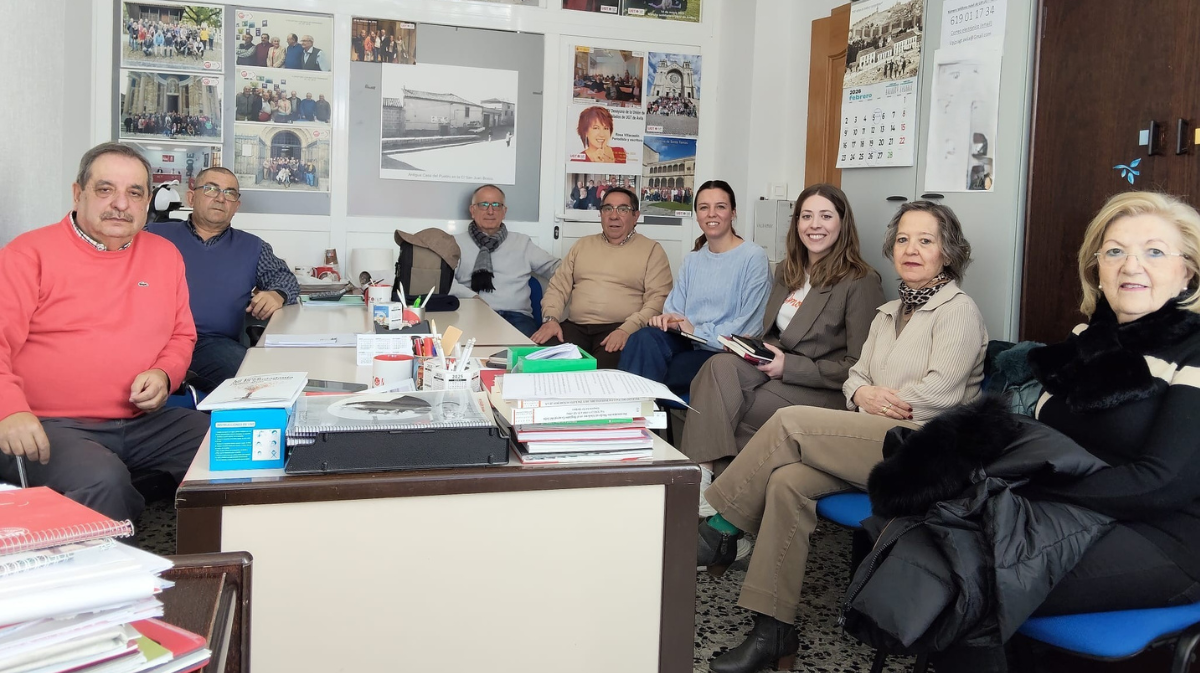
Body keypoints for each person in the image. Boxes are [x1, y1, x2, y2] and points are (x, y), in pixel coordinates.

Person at [858, 192, 1200, 673]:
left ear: (1188, 271)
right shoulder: (1086, 341)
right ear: (1096, 267)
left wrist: (1029, 494)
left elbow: (1163, 482)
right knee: (926, 538)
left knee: (967, 580)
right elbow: (1041, 439)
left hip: (1166, 537)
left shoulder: (1194, 349)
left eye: (1155, 251)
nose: (1130, 266)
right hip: (1071, 515)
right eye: (1115, 251)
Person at [696, 200, 987, 673]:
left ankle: (720, 528)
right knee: (787, 481)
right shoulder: (889, 311)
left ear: (948, 253)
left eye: (926, 241)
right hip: (877, 436)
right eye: (903, 240)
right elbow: (855, 378)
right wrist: (866, 395)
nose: (911, 249)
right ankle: (774, 630)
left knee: (790, 422)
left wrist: (874, 397)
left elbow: (938, 395)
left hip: (924, 451)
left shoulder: (959, 311)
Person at [0, 142, 208, 523]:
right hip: (48, 425)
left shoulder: (164, 255)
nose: (121, 204)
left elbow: (182, 336)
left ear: (147, 202)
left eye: (134, 192)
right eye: (105, 189)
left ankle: (219, 564)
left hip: (144, 422)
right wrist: (8, 409)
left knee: (235, 445)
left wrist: (164, 374)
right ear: (78, 193)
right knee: (102, 481)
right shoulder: (27, 254)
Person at [681, 184, 884, 501]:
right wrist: (750, 347)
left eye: (825, 216)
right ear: (797, 224)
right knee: (716, 366)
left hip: (821, 387)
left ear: (842, 224)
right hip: (772, 367)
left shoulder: (860, 280)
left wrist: (789, 367)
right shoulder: (788, 271)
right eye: (806, 216)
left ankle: (721, 499)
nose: (814, 224)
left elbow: (859, 369)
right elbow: (774, 335)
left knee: (735, 408)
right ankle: (704, 477)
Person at [147, 167, 300, 393]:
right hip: (151, 338)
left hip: (211, 344)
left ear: (236, 206)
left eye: (230, 193)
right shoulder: (153, 236)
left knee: (261, 382)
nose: (220, 198)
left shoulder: (252, 247)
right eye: (211, 189)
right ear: (191, 197)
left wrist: (277, 294)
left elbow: (285, 278)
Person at [618, 180, 770, 390]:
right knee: (642, 339)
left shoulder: (753, 257)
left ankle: (638, 416)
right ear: (697, 215)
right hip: (688, 342)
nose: (711, 214)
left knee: (652, 368)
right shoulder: (693, 260)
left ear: (733, 213)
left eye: (720, 207)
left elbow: (749, 327)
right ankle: (639, 414)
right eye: (704, 207)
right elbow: (675, 311)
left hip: (724, 351)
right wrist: (668, 320)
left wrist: (697, 331)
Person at [531, 187, 673, 369]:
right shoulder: (583, 245)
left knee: (600, 378)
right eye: (608, 209)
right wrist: (550, 319)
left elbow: (658, 300)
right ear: (601, 214)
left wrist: (627, 330)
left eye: (623, 209)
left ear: (635, 216)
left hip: (620, 328)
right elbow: (558, 287)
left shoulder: (652, 250)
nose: (614, 216)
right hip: (576, 327)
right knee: (542, 366)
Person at [450, 185, 560, 337]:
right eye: (483, 205)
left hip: (517, 318)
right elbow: (444, 281)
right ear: (472, 210)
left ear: (504, 211)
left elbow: (556, 269)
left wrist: (585, 270)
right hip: (473, 314)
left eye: (496, 205)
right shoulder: (455, 243)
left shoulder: (522, 242)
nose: (490, 211)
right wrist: (473, 298)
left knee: (521, 357)